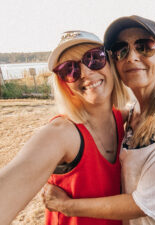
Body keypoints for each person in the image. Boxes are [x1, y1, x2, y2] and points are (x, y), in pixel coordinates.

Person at [43, 16, 155, 225]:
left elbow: (146, 203)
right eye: (121, 50)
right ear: (115, 65)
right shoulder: (133, 113)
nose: (132, 56)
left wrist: (65, 206)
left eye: (144, 47)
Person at [0, 30, 128, 225]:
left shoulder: (124, 118)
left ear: (110, 63)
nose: (85, 73)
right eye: (69, 69)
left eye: (94, 58)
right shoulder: (62, 134)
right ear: (64, 84)